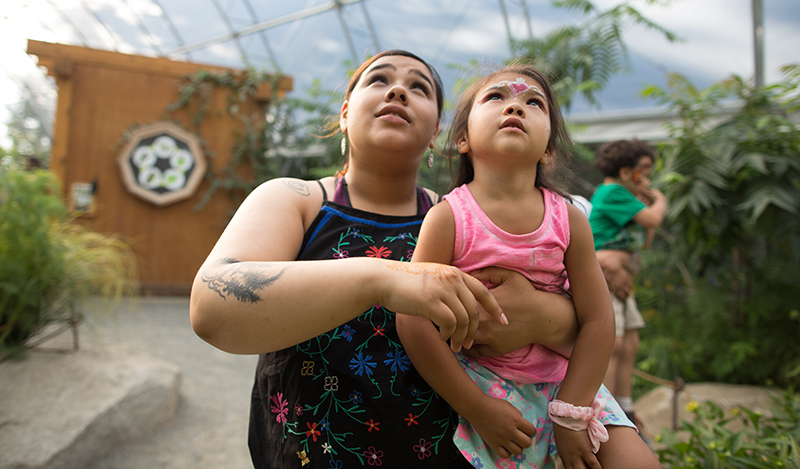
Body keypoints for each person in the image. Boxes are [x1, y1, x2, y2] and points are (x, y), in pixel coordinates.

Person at [189, 50, 579, 468]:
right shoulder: (295, 201)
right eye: (378, 80)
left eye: (419, 87)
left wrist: (545, 316)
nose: (397, 90)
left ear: (439, 132)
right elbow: (211, 311)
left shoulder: (465, 219)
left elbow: (588, 325)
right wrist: (382, 280)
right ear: (344, 113)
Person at [396, 63, 660, 468]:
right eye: (497, 97)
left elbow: (598, 319)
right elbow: (411, 319)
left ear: (550, 146)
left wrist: (571, 413)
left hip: (568, 383)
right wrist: (477, 407)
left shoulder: (569, 219)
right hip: (483, 387)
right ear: (462, 138)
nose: (515, 106)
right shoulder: (448, 218)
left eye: (533, 102)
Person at [589, 139, 667, 427]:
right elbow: (654, 219)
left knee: (630, 340)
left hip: (620, 279)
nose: (645, 181)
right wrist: (660, 200)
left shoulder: (624, 198)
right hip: (604, 280)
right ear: (625, 173)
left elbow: (646, 239)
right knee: (614, 342)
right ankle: (605, 412)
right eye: (642, 174)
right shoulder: (612, 193)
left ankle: (625, 407)